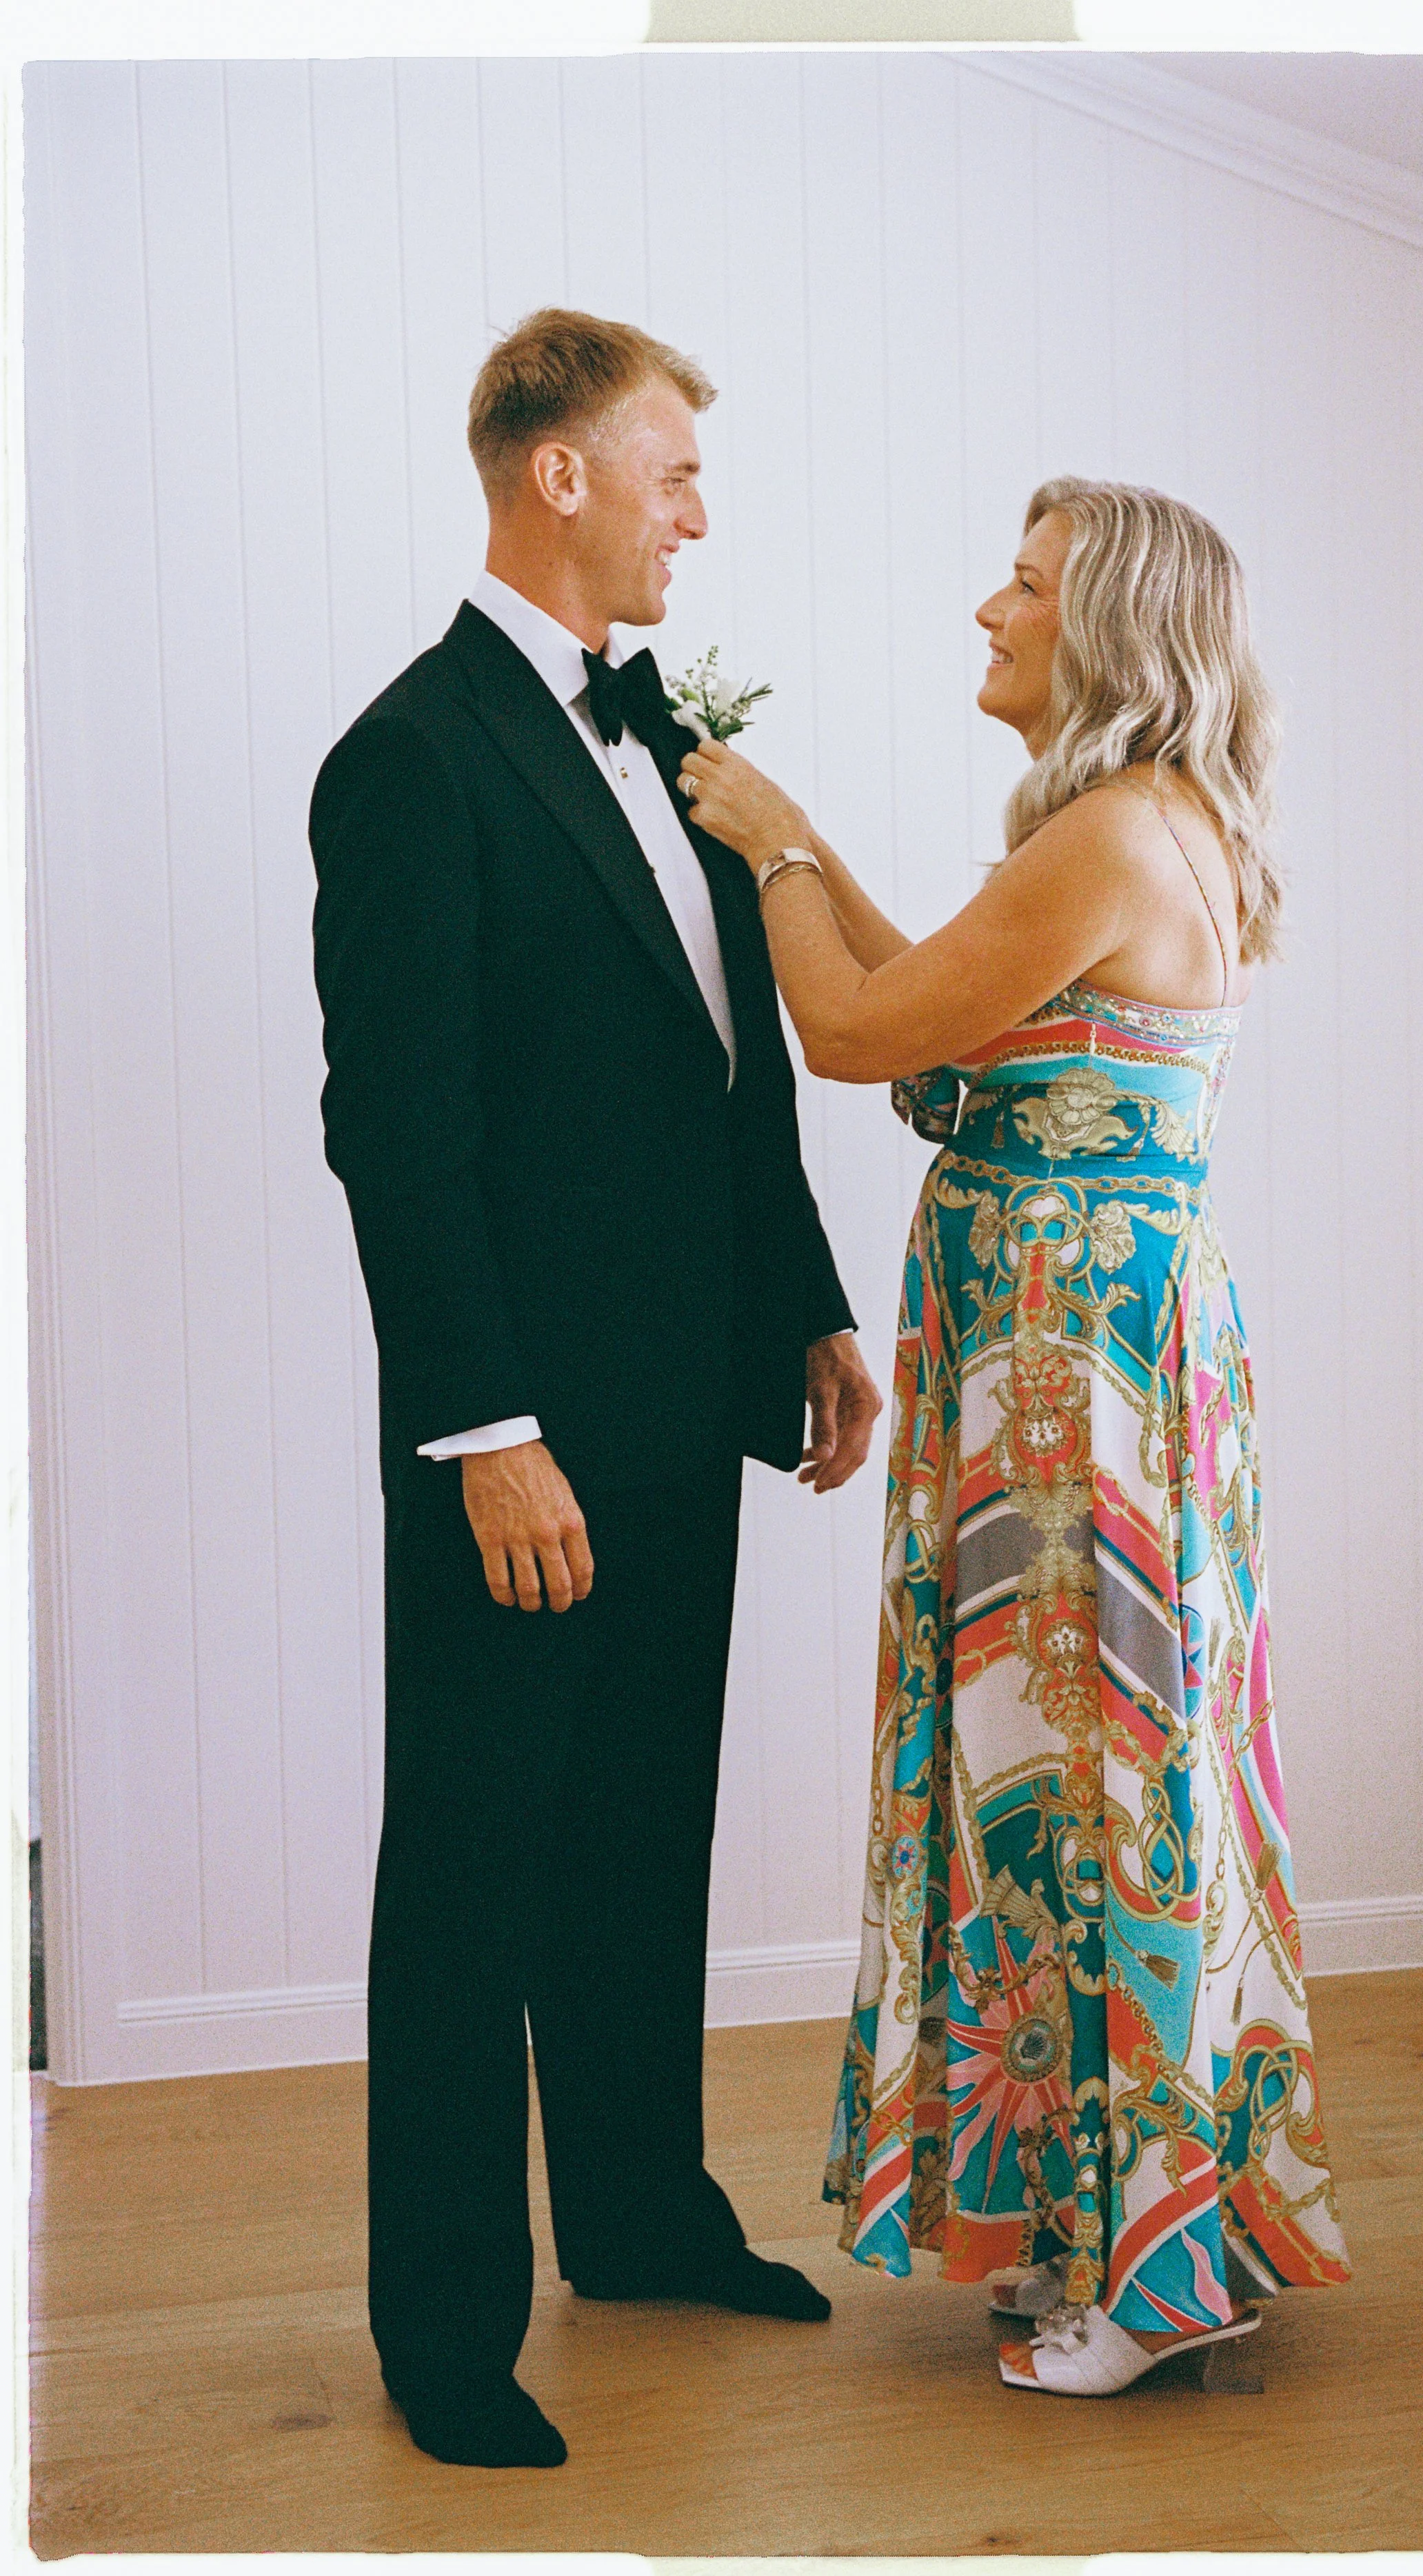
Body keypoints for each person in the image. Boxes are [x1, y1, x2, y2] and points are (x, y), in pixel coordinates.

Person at [679, 476, 1351, 2398]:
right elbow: (936, 1013)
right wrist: (800, 856)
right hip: (1083, 1363)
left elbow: (856, 1035)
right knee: (1074, 1773)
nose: (990, 608)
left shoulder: (1112, 832)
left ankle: (1148, 2277)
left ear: (1112, 630)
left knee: (1090, 1776)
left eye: (1031, 586)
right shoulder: (1121, 831)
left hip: (1069, 1385)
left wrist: (779, 839)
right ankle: (1108, 2220)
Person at [309, 308, 880, 2470]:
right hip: (520, 1437)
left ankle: (639, 2217)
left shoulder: (663, 744)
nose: (695, 515)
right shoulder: (410, 756)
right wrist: (485, 1435)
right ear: (556, 474)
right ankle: (444, 2334)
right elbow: (400, 1132)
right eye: (671, 474)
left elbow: (718, 1081)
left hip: (678, 1399)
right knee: (474, 1859)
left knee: (644, 1819)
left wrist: (804, 1314)